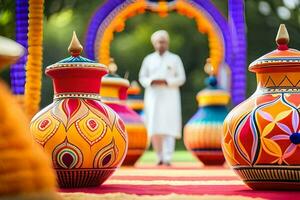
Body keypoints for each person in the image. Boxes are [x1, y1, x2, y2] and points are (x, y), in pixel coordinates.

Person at [139, 30, 186, 166]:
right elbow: (142, 77)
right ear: (154, 43)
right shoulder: (148, 59)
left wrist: (167, 81)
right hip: (153, 97)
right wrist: (151, 81)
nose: (161, 44)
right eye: (159, 42)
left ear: (167, 43)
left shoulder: (175, 59)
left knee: (169, 126)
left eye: (164, 41)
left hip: (170, 97)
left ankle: (167, 157)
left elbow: (181, 78)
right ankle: (159, 156)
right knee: (154, 127)